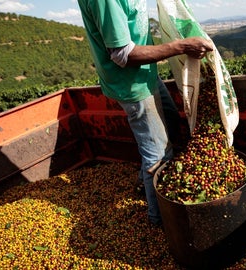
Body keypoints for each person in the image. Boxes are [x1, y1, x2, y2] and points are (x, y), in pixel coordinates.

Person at [77, 0, 213, 226]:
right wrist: (181, 46)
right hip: (132, 83)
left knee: (170, 121)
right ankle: (158, 219)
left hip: (146, 74)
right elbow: (123, 55)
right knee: (158, 155)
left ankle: (144, 183)